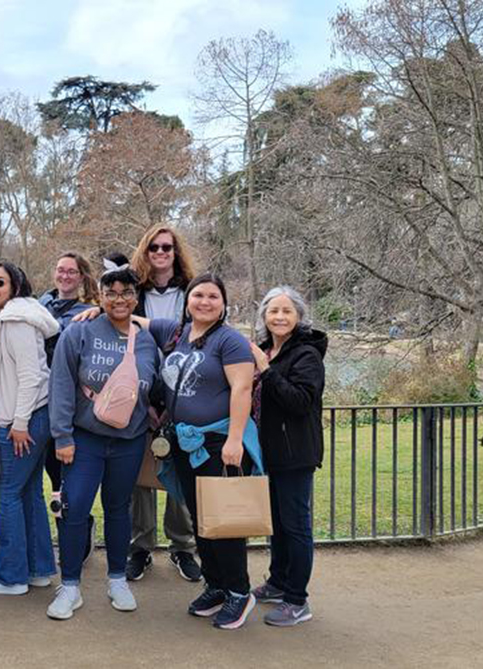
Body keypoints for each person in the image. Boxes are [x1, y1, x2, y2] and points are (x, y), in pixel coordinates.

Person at [74, 226, 200, 582]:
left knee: (178, 471)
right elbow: (113, 312)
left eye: (168, 247)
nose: (161, 252)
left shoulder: (192, 292)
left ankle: (182, 547)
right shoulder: (133, 290)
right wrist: (91, 313)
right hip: (136, 389)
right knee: (138, 476)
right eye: (154, 247)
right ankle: (140, 546)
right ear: (145, 251)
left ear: (176, 252)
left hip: (182, 390)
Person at [146, 272, 261, 630]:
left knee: (223, 520)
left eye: (213, 296)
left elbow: (241, 390)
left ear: (224, 303)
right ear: (188, 300)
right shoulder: (177, 334)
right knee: (201, 519)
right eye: (198, 295)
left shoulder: (230, 341)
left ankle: (240, 591)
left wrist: (234, 440)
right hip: (182, 443)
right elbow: (135, 318)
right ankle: (216, 584)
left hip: (217, 442)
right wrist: (90, 313)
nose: (205, 302)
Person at [46, 259, 159, 620]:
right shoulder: (80, 333)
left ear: (136, 297)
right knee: (75, 507)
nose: (119, 299)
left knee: (118, 508)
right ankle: (71, 586)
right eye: (110, 293)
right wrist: (62, 436)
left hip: (128, 440)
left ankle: (116, 579)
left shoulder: (147, 339)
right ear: (100, 296)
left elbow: (159, 381)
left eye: (126, 293)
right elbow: (61, 384)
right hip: (85, 439)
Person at [0, 262, 58, 595]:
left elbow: (31, 376)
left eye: (0, 282)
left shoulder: (16, 320)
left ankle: (9, 576)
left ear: (16, 286)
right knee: (28, 492)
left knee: (6, 493)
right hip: (24, 418)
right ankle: (37, 569)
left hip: (22, 422)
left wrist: (20, 423)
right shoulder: (1, 315)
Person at [248, 286, 326, 627]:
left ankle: (298, 599)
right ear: (264, 316)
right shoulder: (266, 349)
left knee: (295, 527)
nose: (279, 317)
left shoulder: (306, 354)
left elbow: (300, 402)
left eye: (286, 311)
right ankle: (278, 582)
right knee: (277, 525)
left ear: (298, 317)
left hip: (296, 455)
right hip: (269, 453)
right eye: (273, 311)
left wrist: (266, 370)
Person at [38, 251, 99, 558]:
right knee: (50, 477)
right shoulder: (40, 305)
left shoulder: (88, 313)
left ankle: (77, 533)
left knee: (68, 478)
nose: (64, 276)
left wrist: (96, 311)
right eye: (60, 270)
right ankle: (60, 536)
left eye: (71, 272)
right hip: (39, 403)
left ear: (81, 277)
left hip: (70, 407)